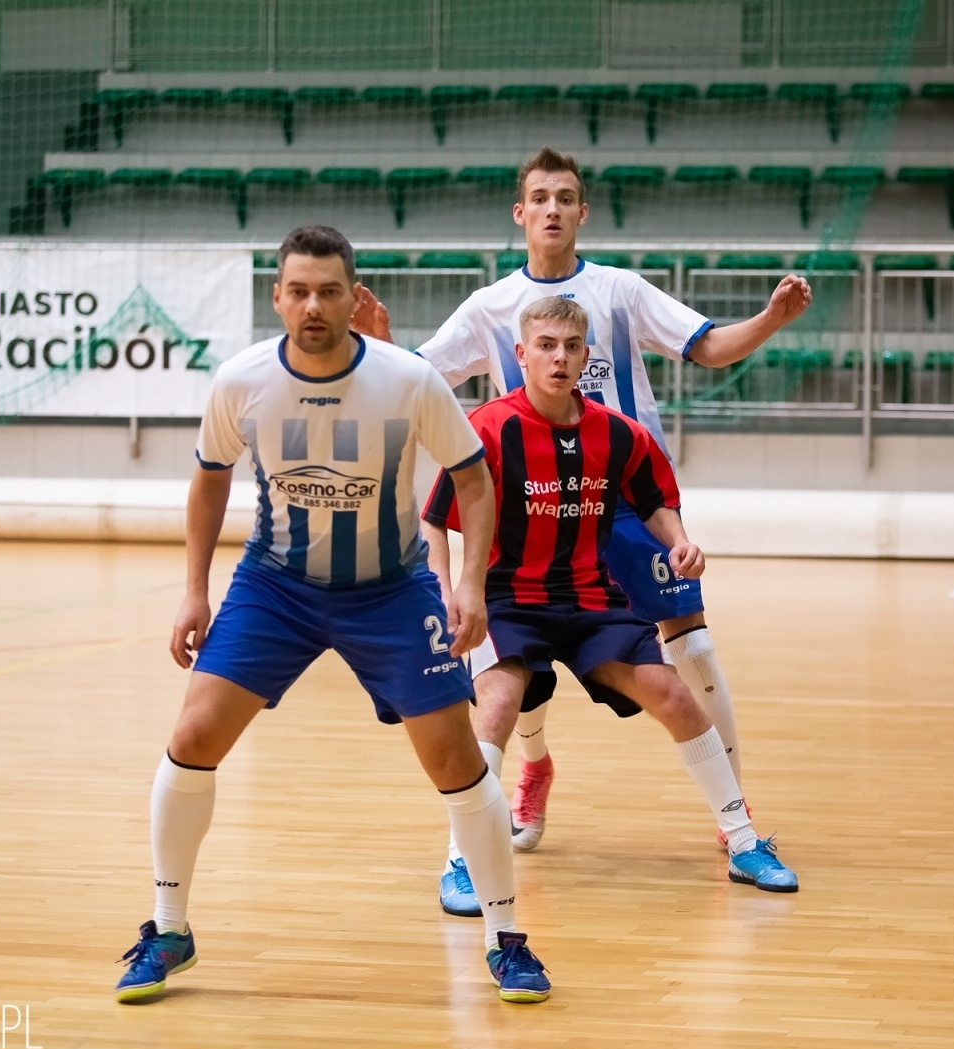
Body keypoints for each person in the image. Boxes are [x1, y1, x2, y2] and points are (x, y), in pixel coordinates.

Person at [113, 226, 550, 1005]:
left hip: (390, 590)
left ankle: (506, 938)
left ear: (356, 297)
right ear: (277, 297)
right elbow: (209, 480)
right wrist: (193, 588)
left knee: (455, 760)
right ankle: (169, 928)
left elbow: (473, 481)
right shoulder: (242, 381)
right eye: (298, 291)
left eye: (329, 291)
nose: (313, 306)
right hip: (274, 587)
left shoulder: (408, 379)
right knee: (191, 736)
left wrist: (473, 586)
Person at [367, 146, 812, 872]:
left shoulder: (621, 291)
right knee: (519, 662)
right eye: (538, 197)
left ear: (581, 212)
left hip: (626, 503)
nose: (551, 209)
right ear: (520, 213)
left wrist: (769, 319)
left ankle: (737, 813)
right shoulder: (490, 308)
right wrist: (383, 347)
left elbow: (706, 347)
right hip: (532, 510)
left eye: (564, 197)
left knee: (690, 652)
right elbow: (417, 379)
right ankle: (532, 770)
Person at [422, 295, 797, 906]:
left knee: (675, 693)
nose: (559, 358)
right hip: (509, 599)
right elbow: (434, 519)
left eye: (571, 347)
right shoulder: (487, 428)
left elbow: (655, 501)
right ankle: (460, 859)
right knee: (494, 706)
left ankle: (744, 839)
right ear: (521, 355)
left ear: (586, 356)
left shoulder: (618, 433)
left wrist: (680, 543)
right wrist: (450, 592)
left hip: (591, 598)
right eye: (545, 346)